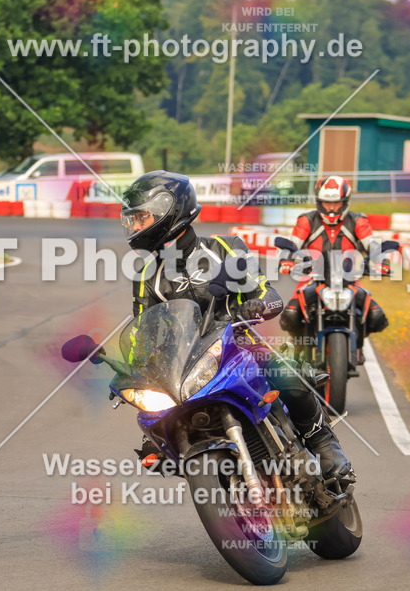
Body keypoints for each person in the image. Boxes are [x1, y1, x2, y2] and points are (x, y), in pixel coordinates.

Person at [120, 170, 352, 479]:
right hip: (185, 367)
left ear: (168, 210)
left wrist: (254, 305)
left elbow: (269, 294)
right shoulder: (146, 276)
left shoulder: (224, 248)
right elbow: (141, 334)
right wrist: (130, 370)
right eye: (132, 219)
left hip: (239, 347)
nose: (136, 226)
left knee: (288, 374)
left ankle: (324, 444)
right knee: (154, 437)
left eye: (142, 218)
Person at [280, 174, 389, 364]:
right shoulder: (307, 220)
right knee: (290, 315)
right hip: (311, 278)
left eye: (336, 203)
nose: (331, 208)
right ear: (318, 202)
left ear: (345, 202)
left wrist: (382, 261)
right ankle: (299, 346)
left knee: (377, 316)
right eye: (326, 203)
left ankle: (358, 345)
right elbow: (292, 244)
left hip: (348, 279)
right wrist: (286, 261)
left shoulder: (358, 220)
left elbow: (371, 243)